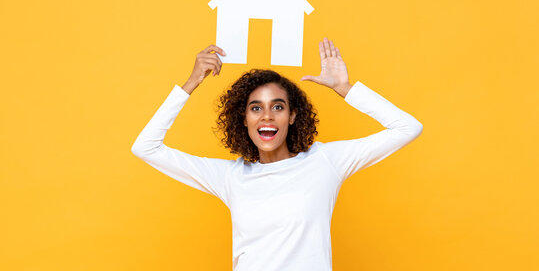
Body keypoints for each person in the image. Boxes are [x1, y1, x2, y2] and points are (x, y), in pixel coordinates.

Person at [131, 37, 423, 271]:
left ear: (293, 116)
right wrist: (191, 82)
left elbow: (407, 128)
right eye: (256, 108)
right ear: (243, 119)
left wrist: (345, 88)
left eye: (278, 107)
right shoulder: (230, 177)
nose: (267, 116)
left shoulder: (325, 162)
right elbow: (146, 147)